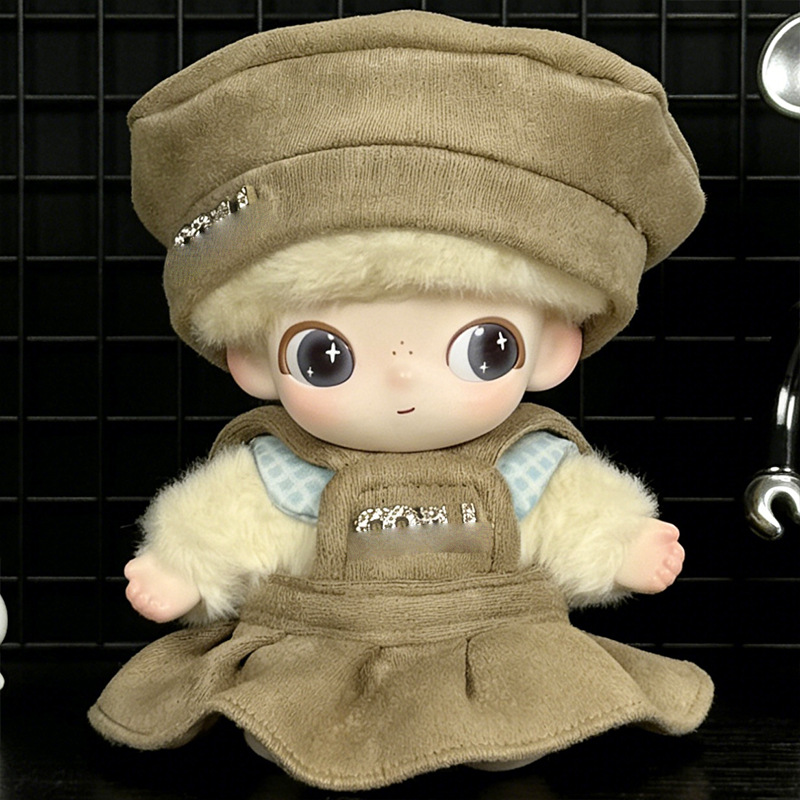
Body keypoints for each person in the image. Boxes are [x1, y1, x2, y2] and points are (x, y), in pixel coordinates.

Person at [89, 11, 713, 790]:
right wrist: (187, 566)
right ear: (251, 360)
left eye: (485, 347)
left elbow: (572, 513)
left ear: (554, 346)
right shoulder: (286, 469)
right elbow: (230, 519)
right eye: (327, 356)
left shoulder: (524, 463)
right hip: (318, 647)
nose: (405, 380)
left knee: (523, 709)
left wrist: (620, 545)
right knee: (290, 711)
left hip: (499, 642)